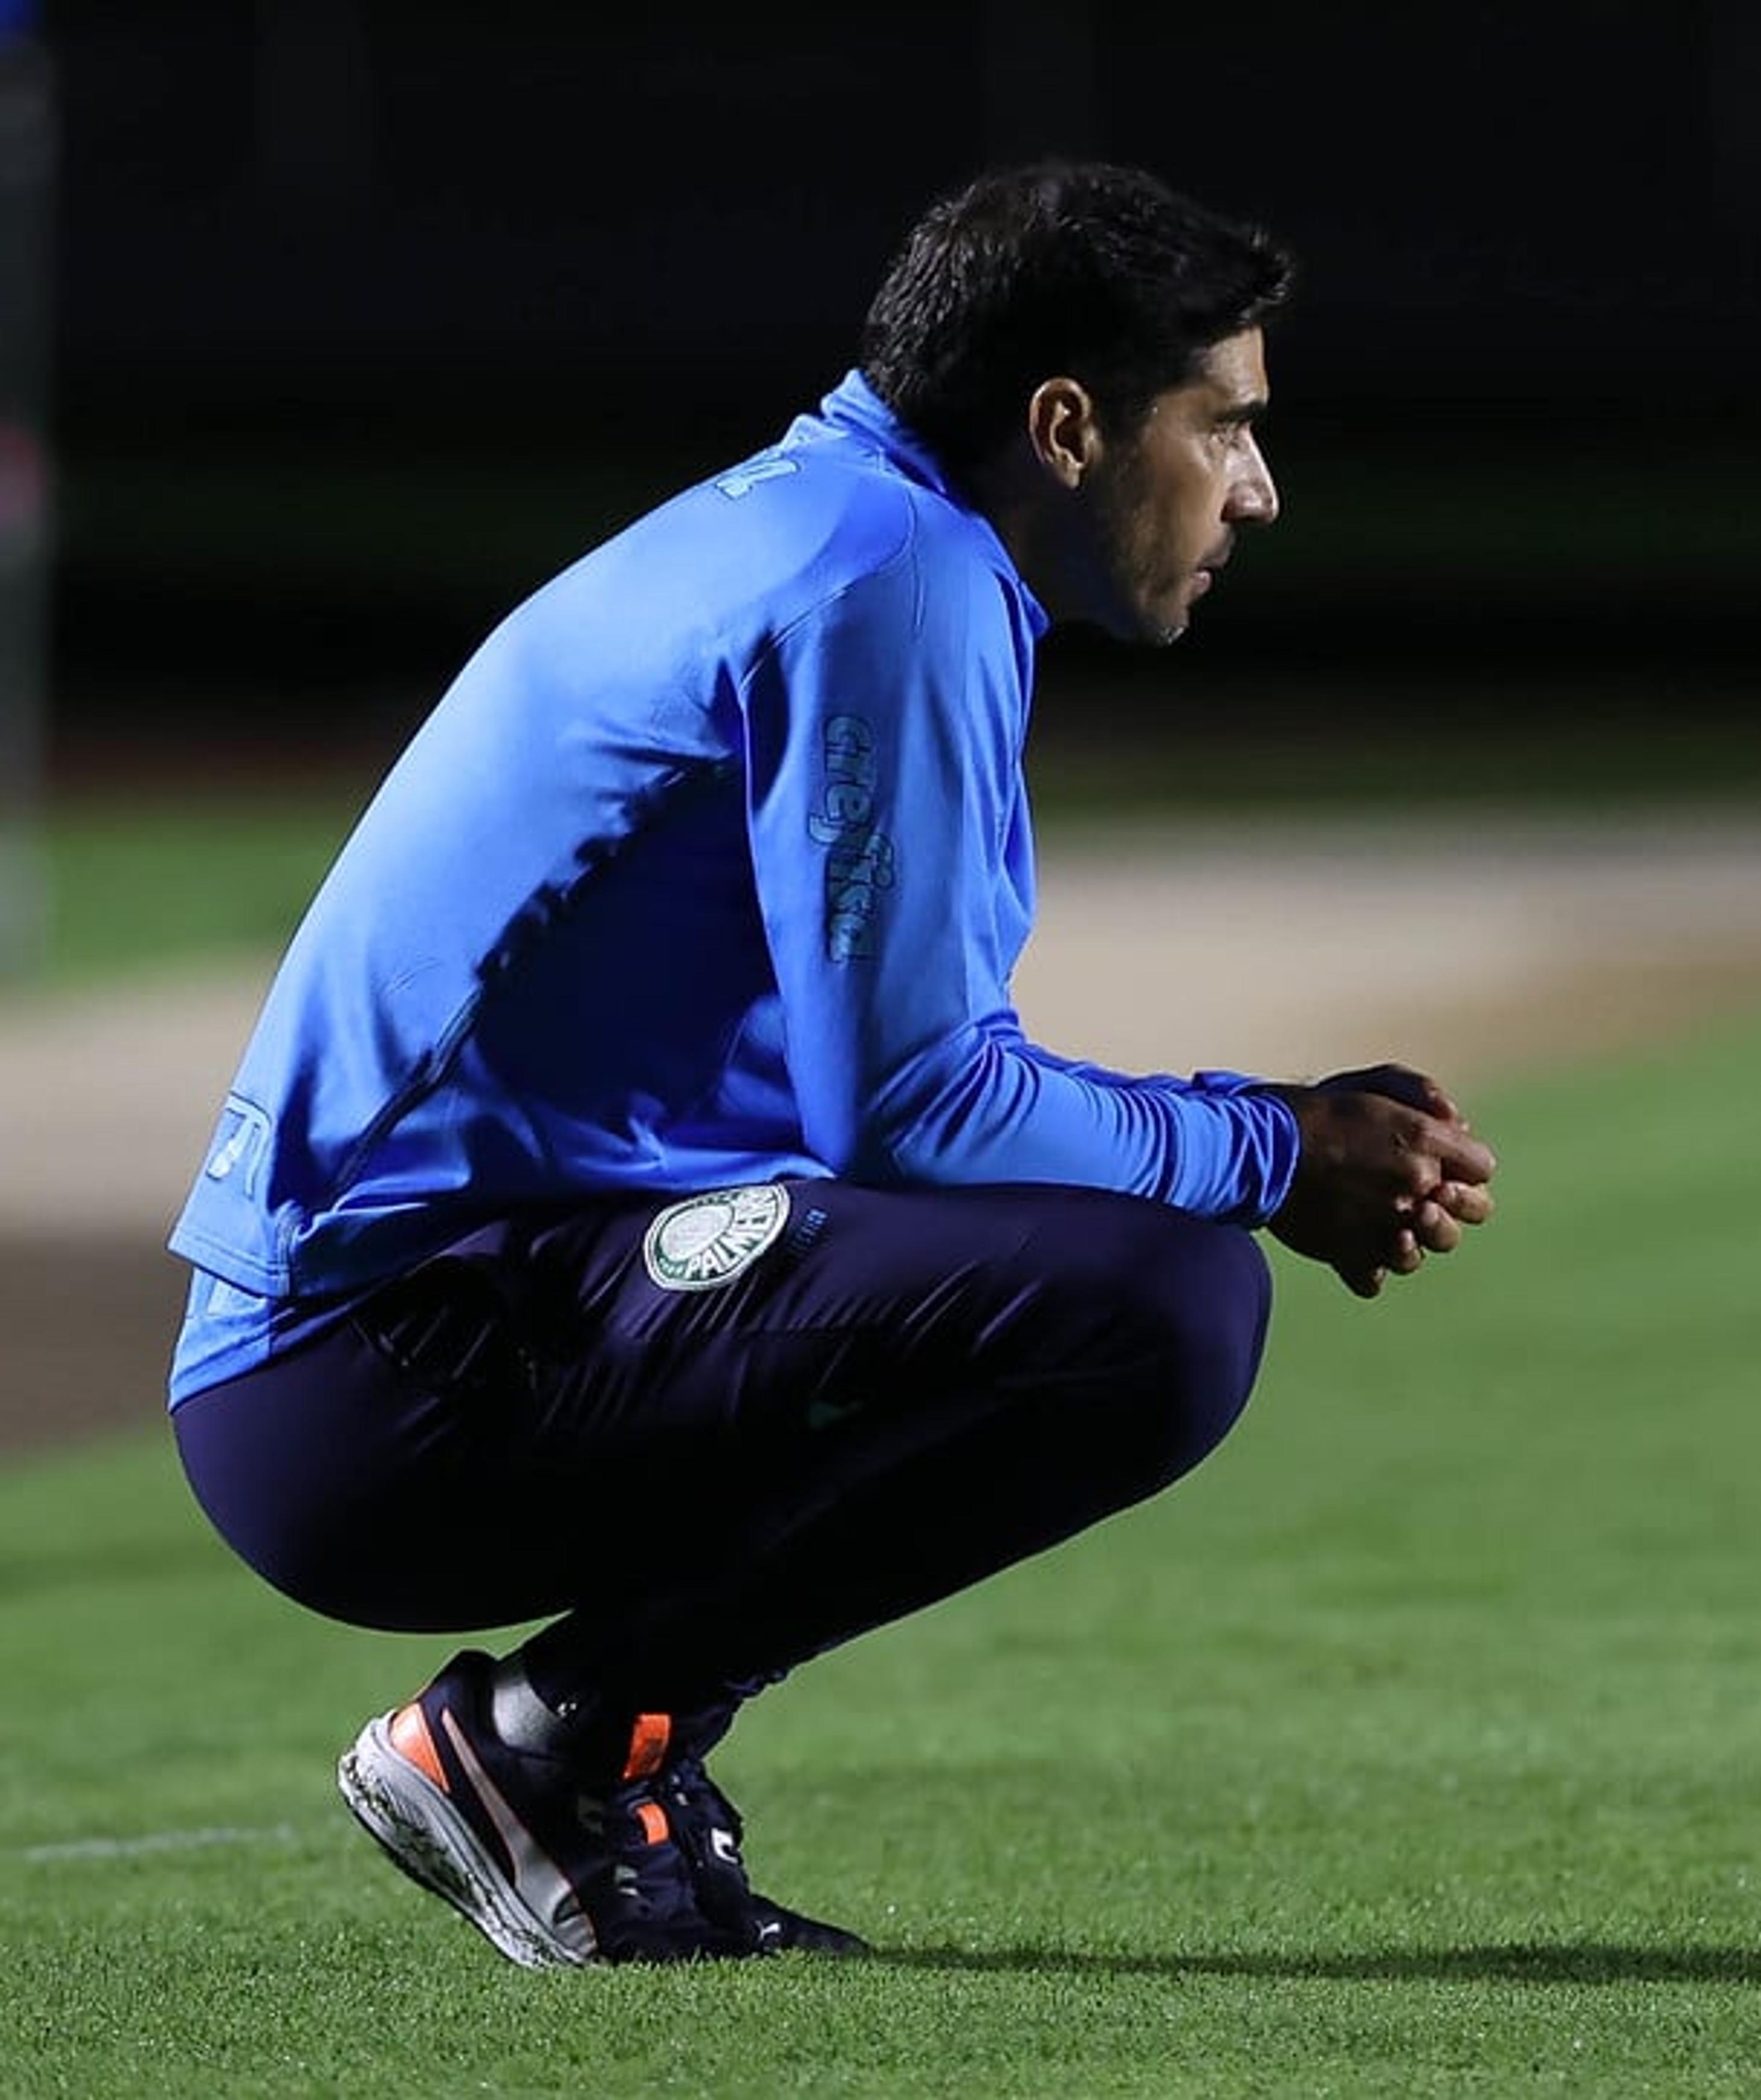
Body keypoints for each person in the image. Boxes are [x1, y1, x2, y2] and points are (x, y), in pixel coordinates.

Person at [165, 160, 1498, 1969]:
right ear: (1069, 424)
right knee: (1162, 1301)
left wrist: (1265, 1138)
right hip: (378, 1377)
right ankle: (550, 1750)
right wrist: (1268, 1149)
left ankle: (573, 1752)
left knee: (1108, 1255)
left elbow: (887, 1110)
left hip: (395, 1335)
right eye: (1225, 424)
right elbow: (918, 1108)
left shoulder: (826, 523)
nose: (1258, 485)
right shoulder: (895, 577)